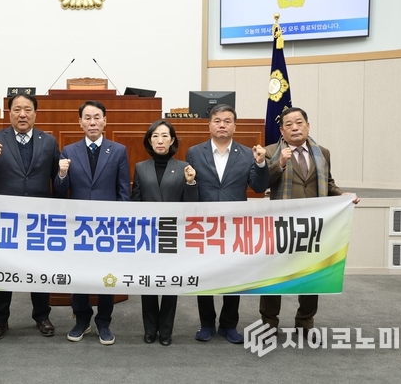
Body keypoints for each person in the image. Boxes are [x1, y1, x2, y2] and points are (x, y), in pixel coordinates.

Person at [259, 107, 359, 341]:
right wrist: (279, 164)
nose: (295, 127)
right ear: (281, 130)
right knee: (275, 276)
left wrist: (341, 195)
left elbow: (328, 183)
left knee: (312, 275)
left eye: (299, 122)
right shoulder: (271, 151)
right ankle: (269, 323)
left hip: (314, 226)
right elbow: (262, 183)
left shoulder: (322, 152)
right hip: (282, 225)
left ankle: (305, 321)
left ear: (308, 125)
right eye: (289, 124)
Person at [0, 93, 60, 341]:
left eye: (27, 109)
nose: (22, 114)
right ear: (9, 113)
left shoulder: (49, 141)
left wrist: (63, 178)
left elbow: (58, 181)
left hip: (39, 219)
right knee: (2, 269)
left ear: (35, 114)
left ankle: (42, 316)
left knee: (40, 269)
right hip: (6, 219)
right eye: (17, 110)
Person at [185, 104, 269, 344]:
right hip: (205, 225)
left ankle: (228, 325)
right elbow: (191, 187)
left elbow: (259, 187)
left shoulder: (248, 153)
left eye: (227, 121)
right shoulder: (194, 152)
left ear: (235, 126)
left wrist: (261, 164)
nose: (222, 125)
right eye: (217, 121)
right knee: (205, 274)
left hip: (235, 226)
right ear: (209, 125)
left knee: (233, 275)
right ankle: (206, 324)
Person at [54, 100, 130, 345]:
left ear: (105, 121)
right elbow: (60, 191)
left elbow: (123, 191)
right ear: (80, 122)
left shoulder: (118, 150)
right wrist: (62, 174)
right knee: (80, 274)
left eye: (97, 117)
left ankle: (104, 322)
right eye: (87, 118)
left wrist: (121, 223)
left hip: (108, 227)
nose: (92, 122)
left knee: (107, 276)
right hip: (79, 227)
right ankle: (82, 320)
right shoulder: (69, 151)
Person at [131, 119, 199, 346]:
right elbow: (135, 202)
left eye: (164, 136)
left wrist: (191, 183)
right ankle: (150, 329)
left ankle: (166, 331)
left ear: (172, 141)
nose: (160, 140)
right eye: (155, 136)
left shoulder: (183, 168)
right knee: (148, 282)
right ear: (149, 141)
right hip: (147, 235)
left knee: (171, 283)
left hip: (173, 234)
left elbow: (192, 205)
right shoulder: (141, 167)